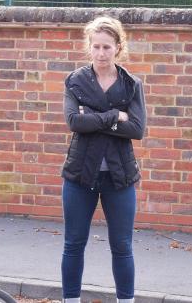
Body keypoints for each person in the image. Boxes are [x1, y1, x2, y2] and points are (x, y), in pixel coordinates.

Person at [60, 16, 146, 303]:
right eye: (95, 46)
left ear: (118, 48)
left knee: (122, 246)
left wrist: (92, 118)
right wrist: (113, 116)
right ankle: (70, 300)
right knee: (73, 244)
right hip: (79, 175)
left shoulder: (132, 84)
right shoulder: (75, 80)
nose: (100, 53)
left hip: (119, 178)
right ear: (89, 47)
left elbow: (136, 129)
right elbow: (74, 122)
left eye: (107, 47)